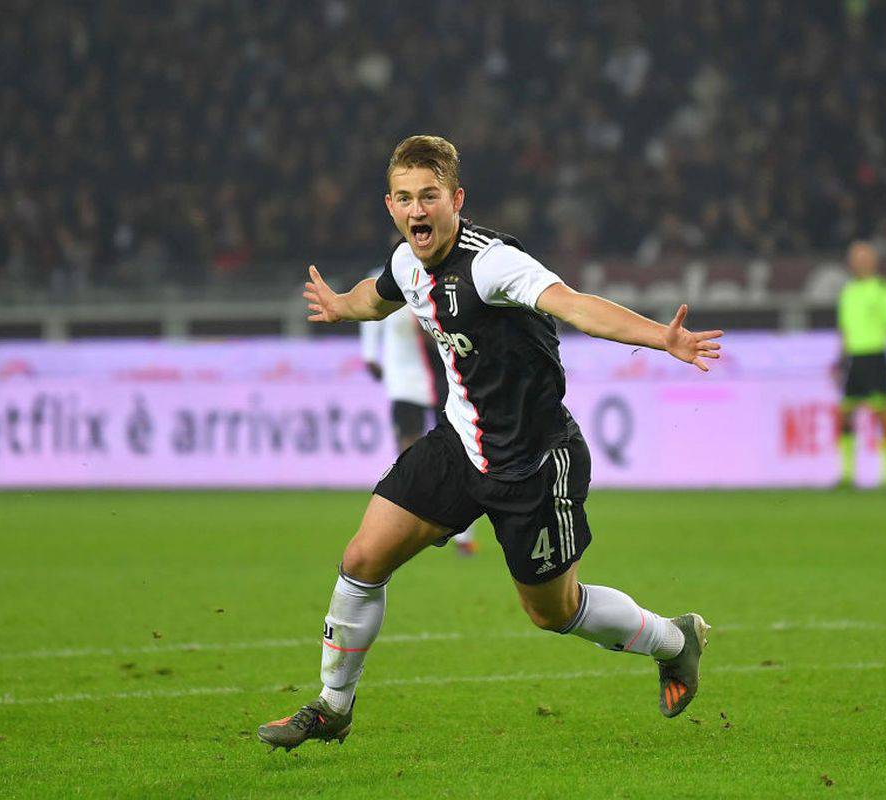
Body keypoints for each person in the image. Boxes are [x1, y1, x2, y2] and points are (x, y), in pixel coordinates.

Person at [258, 136, 723, 751]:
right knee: (362, 560)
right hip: (460, 444)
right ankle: (332, 708)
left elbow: (575, 305)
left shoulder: (492, 264)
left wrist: (660, 339)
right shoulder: (406, 262)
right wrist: (342, 306)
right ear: (390, 205)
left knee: (552, 612)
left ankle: (673, 639)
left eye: (429, 197)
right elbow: (378, 296)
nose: (417, 210)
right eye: (404, 198)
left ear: (456, 200)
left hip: (533, 462)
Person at [360, 292, 476, 555]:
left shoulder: (440, 279)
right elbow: (369, 314)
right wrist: (370, 355)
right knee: (407, 450)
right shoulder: (385, 278)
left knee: (459, 449)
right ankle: (407, 520)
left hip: (442, 378)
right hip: (404, 381)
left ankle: (463, 531)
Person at [835, 241, 886, 488]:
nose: (859, 262)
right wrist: (839, 360)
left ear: (873, 261)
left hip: (877, 356)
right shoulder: (848, 292)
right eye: (855, 258)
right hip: (855, 358)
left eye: (863, 257)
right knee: (845, 414)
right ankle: (847, 475)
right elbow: (845, 331)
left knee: (884, 415)